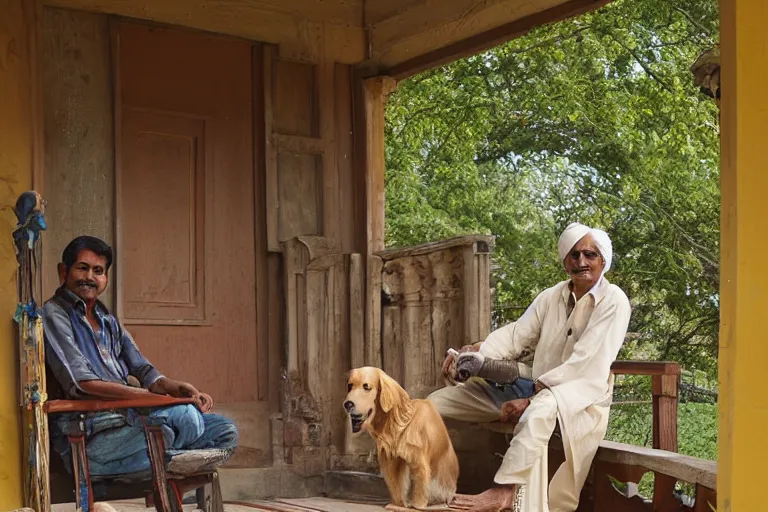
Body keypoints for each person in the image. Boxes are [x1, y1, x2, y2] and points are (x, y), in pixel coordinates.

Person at [428, 223, 632, 512]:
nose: (581, 262)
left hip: (580, 397)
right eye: (574, 255)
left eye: (590, 254)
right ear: (565, 261)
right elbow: (515, 335)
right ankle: (426, 480)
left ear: (603, 260)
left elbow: (585, 364)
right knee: (435, 404)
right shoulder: (551, 296)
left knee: (540, 410)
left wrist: (531, 398)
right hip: (532, 388)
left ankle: (504, 493)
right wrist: (474, 356)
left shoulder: (614, 301)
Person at [43, 235, 238, 479]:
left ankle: (160, 459)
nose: (90, 278)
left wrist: (175, 388)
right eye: (82, 268)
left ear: (106, 277)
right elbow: (82, 384)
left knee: (225, 430)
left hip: (131, 420)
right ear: (64, 271)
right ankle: (164, 458)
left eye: (98, 271)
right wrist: (154, 400)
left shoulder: (107, 319)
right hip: (92, 431)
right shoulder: (54, 313)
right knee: (184, 418)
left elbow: (144, 371)